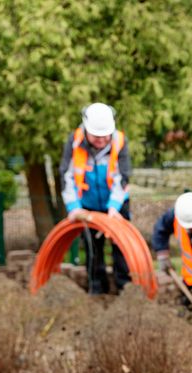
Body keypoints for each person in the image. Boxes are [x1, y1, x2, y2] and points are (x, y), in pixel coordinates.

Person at [59, 102, 132, 294]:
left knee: (122, 246)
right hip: (87, 206)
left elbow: (122, 178)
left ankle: (125, 289)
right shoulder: (74, 142)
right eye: (96, 136)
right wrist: (74, 207)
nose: (101, 140)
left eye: (105, 136)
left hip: (116, 205)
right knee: (93, 250)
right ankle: (97, 289)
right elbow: (66, 176)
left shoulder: (120, 142)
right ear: (86, 130)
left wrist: (114, 207)